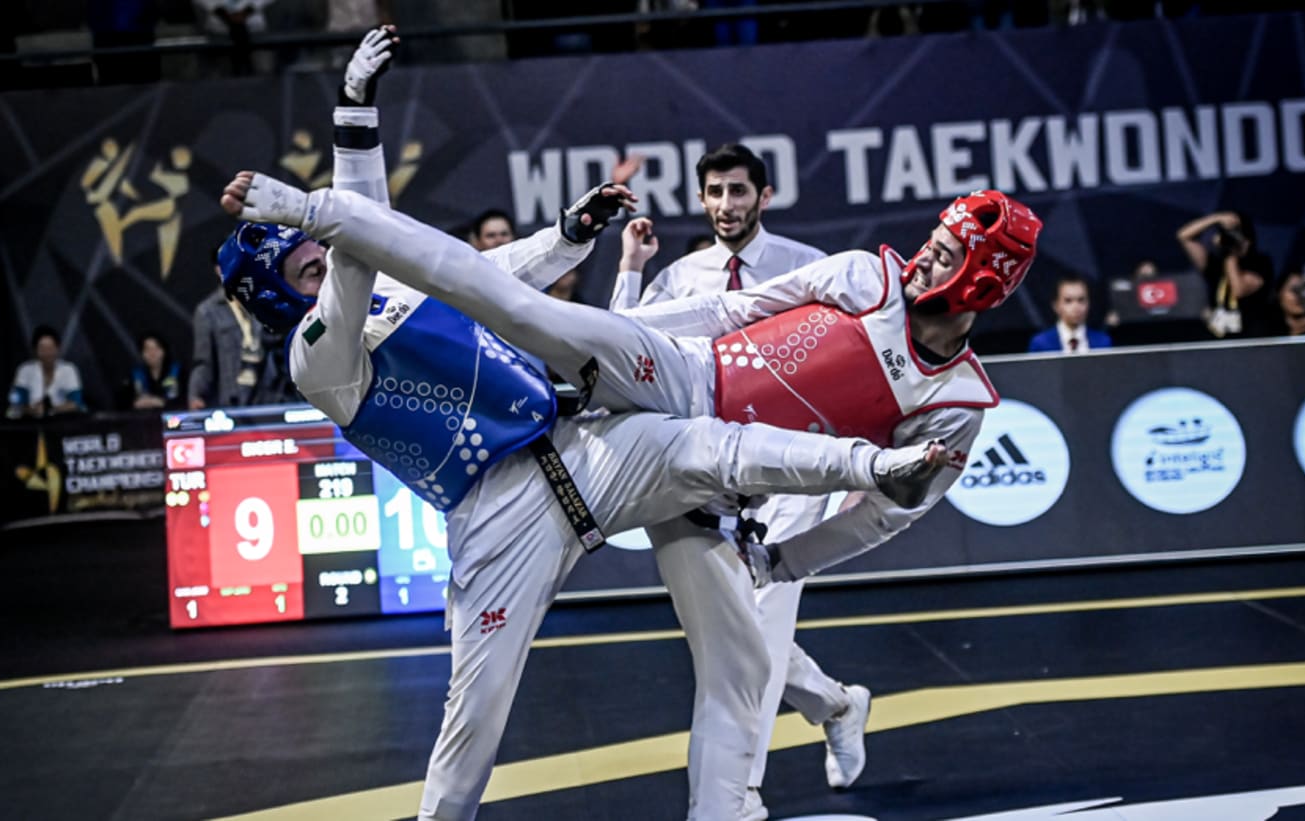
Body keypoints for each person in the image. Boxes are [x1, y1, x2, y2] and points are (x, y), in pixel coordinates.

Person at [217, 29, 943, 821]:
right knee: (473, 725)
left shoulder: (381, 280)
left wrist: (568, 232)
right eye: (299, 260)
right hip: (497, 520)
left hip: (581, 449)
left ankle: (865, 472)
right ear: (271, 290)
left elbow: (484, 272)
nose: (316, 256)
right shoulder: (315, 359)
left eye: (314, 248)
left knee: (710, 473)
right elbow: (358, 241)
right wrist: (339, 158)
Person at [610, 142, 869, 820]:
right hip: (707, 473)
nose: (727, 204)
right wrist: (632, 269)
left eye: (738, 191)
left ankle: (739, 793)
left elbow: (855, 368)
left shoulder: (809, 269)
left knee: (763, 616)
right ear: (701, 199)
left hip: (793, 471)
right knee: (733, 633)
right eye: (715, 192)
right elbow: (620, 344)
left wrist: (859, 463)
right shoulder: (681, 276)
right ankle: (836, 704)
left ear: (764, 196)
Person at [188, 245, 293, 409]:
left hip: (271, 391)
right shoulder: (208, 310)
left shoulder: (263, 298)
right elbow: (204, 360)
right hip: (233, 395)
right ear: (218, 270)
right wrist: (196, 394)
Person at [1176, 209, 1275, 338]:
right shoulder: (1215, 263)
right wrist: (1216, 218)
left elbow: (1238, 290)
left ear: (1248, 239)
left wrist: (1231, 252)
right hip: (1217, 334)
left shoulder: (1260, 263)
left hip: (1248, 336)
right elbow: (1183, 236)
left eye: (1237, 232)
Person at [7, 325, 86, 419]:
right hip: (31, 422)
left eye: (51, 348)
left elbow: (76, 403)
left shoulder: (69, 369)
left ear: (57, 349)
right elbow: (16, 404)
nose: (47, 353)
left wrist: (51, 409)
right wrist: (31, 410)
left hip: (63, 421)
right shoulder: (25, 370)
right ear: (35, 350)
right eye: (42, 349)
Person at [1027, 272, 1112, 353]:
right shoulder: (1041, 344)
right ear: (1056, 306)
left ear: (1088, 303)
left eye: (1081, 300)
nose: (1076, 307)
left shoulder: (1103, 342)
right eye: (1068, 301)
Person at [123, 331, 185, 410]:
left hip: (171, 415)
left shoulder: (178, 371)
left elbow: (185, 398)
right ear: (142, 353)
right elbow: (122, 401)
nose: (152, 353)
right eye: (147, 349)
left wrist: (163, 402)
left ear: (164, 351)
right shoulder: (135, 374)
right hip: (142, 416)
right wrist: (135, 403)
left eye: (156, 348)